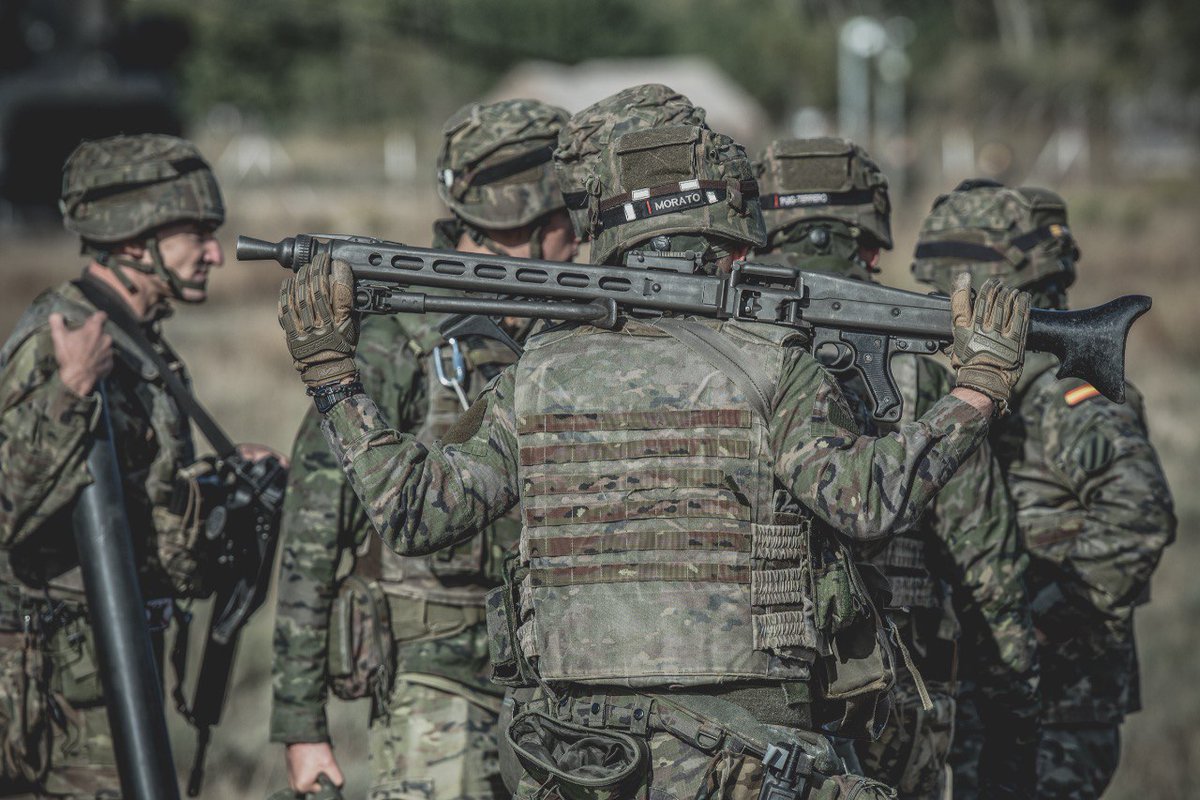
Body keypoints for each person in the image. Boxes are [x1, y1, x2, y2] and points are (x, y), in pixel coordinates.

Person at [275, 116, 1033, 798]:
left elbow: (415, 512)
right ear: (735, 236)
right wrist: (976, 391)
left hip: (583, 764)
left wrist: (333, 379)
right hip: (752, 757)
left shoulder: (541, 370)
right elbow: (865, 503)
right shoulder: (776, 365)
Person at [270, 98, 577, 799]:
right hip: (436, 679)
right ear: (532, 220)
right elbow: (312, 531)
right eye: (566, 222)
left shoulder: (566, 332)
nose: (577, 240)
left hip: (552, 684)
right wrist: (301, 724)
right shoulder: (398, 335)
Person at [754, 141, 1041, 798]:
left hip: (752, 697)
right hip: (894, 698)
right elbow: (991, 578)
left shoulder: (726, 357)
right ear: (875, 246)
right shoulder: (932, 375)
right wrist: (1015, 728)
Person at [0, 134, 280, 798]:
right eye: (197, 235)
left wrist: (215, 483)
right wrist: (69, 392)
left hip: (114, 668)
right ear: (133, 242)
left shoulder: (133, 337)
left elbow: (123, 492)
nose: (215, 252)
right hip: (62, 702)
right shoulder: (63, 341)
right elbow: (8, 501)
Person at [911, 179, 1176, 799]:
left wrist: (1047, 620)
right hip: (990, 689)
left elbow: (1140, 513)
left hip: (1060, 697)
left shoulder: (1062, 391)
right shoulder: (962, 374)